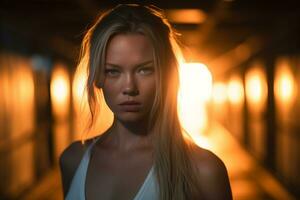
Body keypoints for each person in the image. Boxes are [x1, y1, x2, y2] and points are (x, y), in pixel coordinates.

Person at [59, 4, 232, 200]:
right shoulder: (73, 160)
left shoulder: (204, 171)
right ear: (98, 77)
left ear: (166, 75)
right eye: (113, 71)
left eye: (144, 70)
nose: (129, 87)